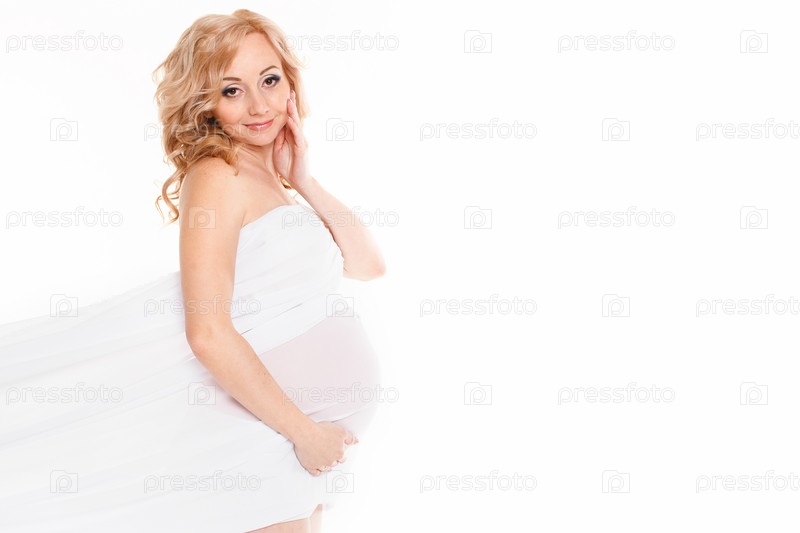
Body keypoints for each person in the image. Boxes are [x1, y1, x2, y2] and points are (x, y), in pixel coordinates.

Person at [0, 9, 385, 532]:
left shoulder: (273, 181)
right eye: (232, 90)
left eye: (270, 80)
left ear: (290, 83)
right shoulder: (216, 175)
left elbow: (368, 265)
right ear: (206, 103)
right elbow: (207, 332)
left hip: (286, 442)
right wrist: (304, 433)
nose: (258, 105)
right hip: (259, 436)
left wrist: (304, 180)